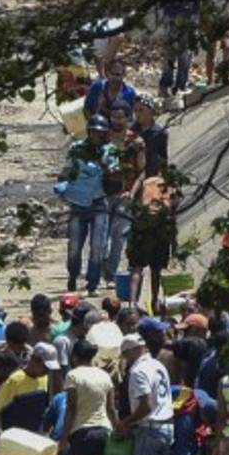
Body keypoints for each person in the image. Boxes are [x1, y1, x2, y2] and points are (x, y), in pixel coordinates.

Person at [59, 114, 119, 294]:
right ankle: (73, 275)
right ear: (89, 132)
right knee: (75, 246)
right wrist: (63, 186)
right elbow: (66, 171)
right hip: (77, 203)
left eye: (100, 133)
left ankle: (92, 283)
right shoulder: (77, 148)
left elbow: (115, 175)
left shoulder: (109, 151)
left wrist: (104, 163)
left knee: (97, 246)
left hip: (98, 202)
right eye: (94, 132)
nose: (97, 136)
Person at [159, 0, 210, 99]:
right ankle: (165, 85)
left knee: (186, 53)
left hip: (191, 15)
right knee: (170, 51)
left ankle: (180, 85)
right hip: (172, 13)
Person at [127, 172, 180, 312]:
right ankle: (155, 300)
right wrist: (174, 243)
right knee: (156, 270)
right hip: (161, 230)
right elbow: (173, 213)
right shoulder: (171, 185)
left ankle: (132, 303)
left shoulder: (143, 181)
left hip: (142, 228)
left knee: (136, 268)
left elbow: (133, 204)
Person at [105, 104, 146, 284]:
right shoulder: (103, 138)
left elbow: (142, 171)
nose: (116, 121)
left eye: (120, 117)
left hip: (125, 194)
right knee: (100, 238)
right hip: (103, 193)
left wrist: (132, 192)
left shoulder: (136, 142)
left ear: (128, 118)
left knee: (117, 235)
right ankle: (102, 269)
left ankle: (111, 274)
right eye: (113, 117)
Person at [132, 94, 169, 179]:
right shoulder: (131, 132)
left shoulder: (160, 133)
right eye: (135, 110)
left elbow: (163, 159)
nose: (137, 114)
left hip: (151, 177)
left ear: (150, 111)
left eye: (141, 110)